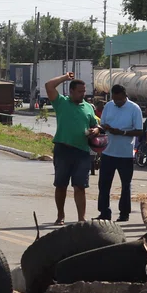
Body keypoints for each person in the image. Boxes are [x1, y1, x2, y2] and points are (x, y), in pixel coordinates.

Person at [45, 72, 100, 225]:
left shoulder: (88, 107)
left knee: (80, 186)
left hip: (82, 152)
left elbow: (94, 125)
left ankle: (81, 218)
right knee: (61, 185)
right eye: (79, 91)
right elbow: (49, 86)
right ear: (71, 91)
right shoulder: (61, 102)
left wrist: (95, 130)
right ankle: (60, 215)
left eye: (84, 91)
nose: (83, 94)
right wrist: (64, 77)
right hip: (63, 150)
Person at [97, 84, 145, 222]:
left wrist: (122, 132)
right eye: (114, 99)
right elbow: (103, 124)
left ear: (125, 96)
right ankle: (104, 212)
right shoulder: (109, 106)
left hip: (125, 154)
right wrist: (103, 128)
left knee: (125, 185)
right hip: (108, 151)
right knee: (104, 184)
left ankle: (124, 213)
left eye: (119, 100)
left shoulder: (134, 108)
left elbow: (139, 131)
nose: (116, 102)